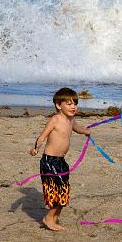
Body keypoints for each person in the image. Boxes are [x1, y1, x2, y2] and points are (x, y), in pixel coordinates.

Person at [29, 87, 91, 230]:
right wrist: (36, 148)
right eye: (69, 104)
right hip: (49, 161)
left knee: (64, 190)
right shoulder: (55, 119)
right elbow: (42, 136)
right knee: (55, 191)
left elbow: (77, 128)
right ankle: (48, 218)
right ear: (58, 105)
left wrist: (86, 132)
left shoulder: (71, 120)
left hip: (61, 162)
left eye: (75, 104)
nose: (73, 107)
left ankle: (54, 218)